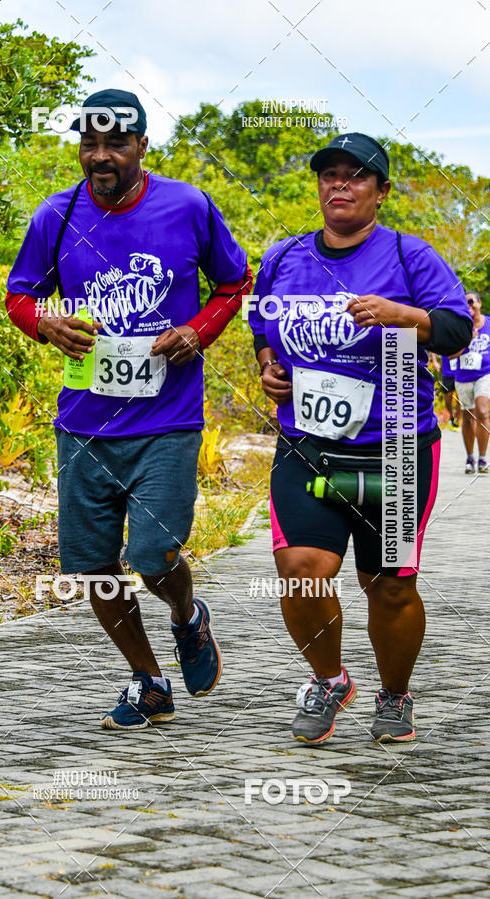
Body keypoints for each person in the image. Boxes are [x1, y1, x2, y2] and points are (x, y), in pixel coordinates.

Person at [6, 89, 252, 730]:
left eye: (116, 142)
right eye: (89, 142)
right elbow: (20, 296)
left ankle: (185, 616)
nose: (100, 156)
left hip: (166, 419)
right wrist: (46, 325)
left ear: (143, 145)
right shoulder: (54, 216)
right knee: (90, 567)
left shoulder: (187, 206)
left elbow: (233, 282)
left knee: (151, 553)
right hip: (84, 422)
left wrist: (197, 331)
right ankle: (148, 679)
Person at [249, 133, 471, 744]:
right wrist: (269, 364)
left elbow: (456, 329)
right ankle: (329, 679)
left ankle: (395, 697)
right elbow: (261, 324)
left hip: (396, 447)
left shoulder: (409, 256)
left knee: (390, 584)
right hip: (308, 441)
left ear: (381, 192)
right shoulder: (284, 258)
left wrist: (408, 317)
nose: (340, 185)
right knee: (301, 568)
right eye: (330, 175)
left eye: (356, 176)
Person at [453, 291, 490, 473]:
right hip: (464, 376)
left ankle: (483, 458)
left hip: (485, 373)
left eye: (471, 302)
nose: (469, 306)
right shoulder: (460, 325)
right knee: (468, 417)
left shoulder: (489, 323)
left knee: (483, 411)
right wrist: (467, 339)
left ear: (479, 303)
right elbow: (450, 353)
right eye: (465, 303)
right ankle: (470, 458)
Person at [430, 353, 460, 430]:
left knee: (460, 398)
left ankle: (457, 419)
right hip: (447, 372)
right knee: (447, 397)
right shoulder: (444, 340)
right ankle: (451, 417)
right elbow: (435, 349)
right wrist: (435, 361)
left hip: (460, 371)